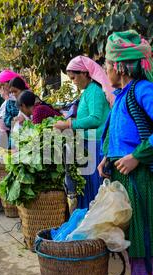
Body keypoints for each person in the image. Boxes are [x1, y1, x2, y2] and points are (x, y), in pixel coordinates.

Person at [97, 30, 153, 275]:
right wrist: (107, 157)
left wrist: (136, 157)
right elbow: (121, 133)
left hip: (141, 179)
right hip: (126, 177)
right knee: (133, 242)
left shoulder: (143, 90)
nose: (105, 69)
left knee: (143, 243)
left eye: (107, 64)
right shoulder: (123, 94)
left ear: (119, 67)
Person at [53, 55, 112, 210]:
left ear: (85, 73)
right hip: (89, 143)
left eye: (74, 78)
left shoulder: (94, 91)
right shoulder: (88, 92)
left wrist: (68, 124)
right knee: (90, 190)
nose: (74, 82)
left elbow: (96, 119)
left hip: (97, 144)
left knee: (96, 191)